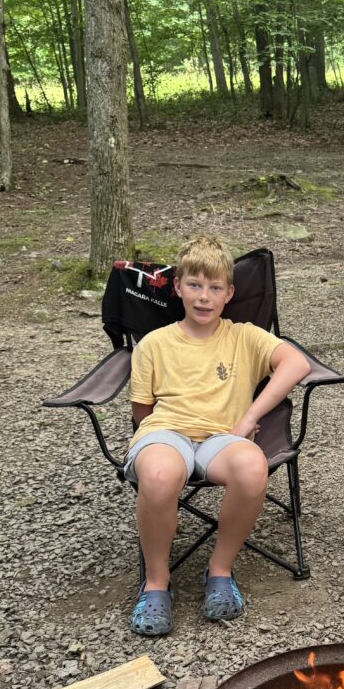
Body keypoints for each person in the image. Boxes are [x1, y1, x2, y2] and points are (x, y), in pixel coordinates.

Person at [124, 235, 311, 636]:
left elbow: (297, 364)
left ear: (229, 294)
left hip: (221, 439)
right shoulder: (154, 344)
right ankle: (156, 582)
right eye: (194, 285)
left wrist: (249, 418)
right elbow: (142, 414)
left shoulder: (244, 336)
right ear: (178, 287)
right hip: (167, 432)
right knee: (159, 473)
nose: (204, 297)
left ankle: (220, 570)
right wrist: (164, 442)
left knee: (252, 465)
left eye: (214, 288)